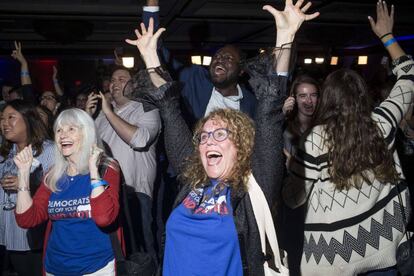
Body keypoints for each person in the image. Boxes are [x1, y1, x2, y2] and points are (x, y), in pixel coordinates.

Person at [125, 1, 318, 275]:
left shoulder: (255, 187)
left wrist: (285, 38)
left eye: (219, 134)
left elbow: (270, 107)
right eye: (203, 136)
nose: (208, 141)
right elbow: (169, 108)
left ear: (240, 146)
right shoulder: (192, 179)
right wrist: (150, 56)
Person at [282, 2, 414, 275]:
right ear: (364, 96)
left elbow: (293, 199)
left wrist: (291, 168)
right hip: (385, 253)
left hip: (334, 261)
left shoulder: (315, 140)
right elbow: (410, 73)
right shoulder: (383, 121)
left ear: (325, 100)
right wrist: (387, 36)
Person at [14, 108, 121, 275]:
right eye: (59, 130)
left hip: (97, 268)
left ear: (87, 134)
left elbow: (104, 218)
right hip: (55, 268)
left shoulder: (107, 168)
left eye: (71, 129)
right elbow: (27, 219)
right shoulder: (53, 175)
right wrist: (22, 173)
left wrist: (93, 170)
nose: (63, 135)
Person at [85, 66, 161, 263]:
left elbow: (140, 139)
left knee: (141, 254)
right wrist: (87, 116)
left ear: (133, 85)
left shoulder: (146, 109)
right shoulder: (101, 115)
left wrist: (108, 112)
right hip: (104, 192)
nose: (114, 83)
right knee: (113, 253)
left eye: (121, 79)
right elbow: (85, 149)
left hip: (135, 192)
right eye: (112, 80)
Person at [143, 0, 257, 125]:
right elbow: (158, 50)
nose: (219, 59)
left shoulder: (251, 102)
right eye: (217, 56)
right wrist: (152, 5)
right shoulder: (195, 78)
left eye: (228, 58)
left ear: (240, 70)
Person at [0, 100, 54, 276]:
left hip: (35, 236)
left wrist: (27, 184)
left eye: (11, 117)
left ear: (28, 120)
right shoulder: (5, 153)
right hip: (9, 233)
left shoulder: (49, 151)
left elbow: (58, 189)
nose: (4, 123)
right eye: (1, 118)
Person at [282, 75, 320, 162]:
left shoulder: (323, 126)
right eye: (303, 96)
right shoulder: (286, 129)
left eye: (313, 95)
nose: (309, 101)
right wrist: (282, 115)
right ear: (293, 99)